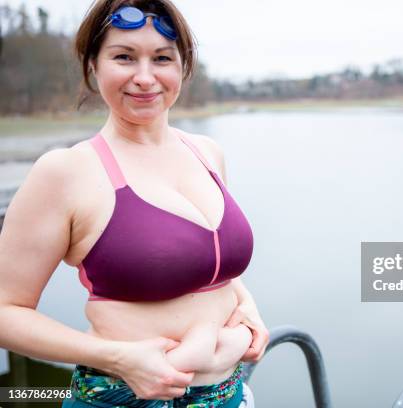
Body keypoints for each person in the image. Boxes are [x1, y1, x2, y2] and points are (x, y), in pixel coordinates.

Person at [0, 0, 269, 406]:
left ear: (183, 67)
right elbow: (5, 311)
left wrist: (249, 309)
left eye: (162, 58)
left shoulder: (207, 153)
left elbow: (214, 269)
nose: (145, 78)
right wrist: (121, 358)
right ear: (93, 64)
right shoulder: (66, 172)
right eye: (124, 57)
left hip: (227, 395)